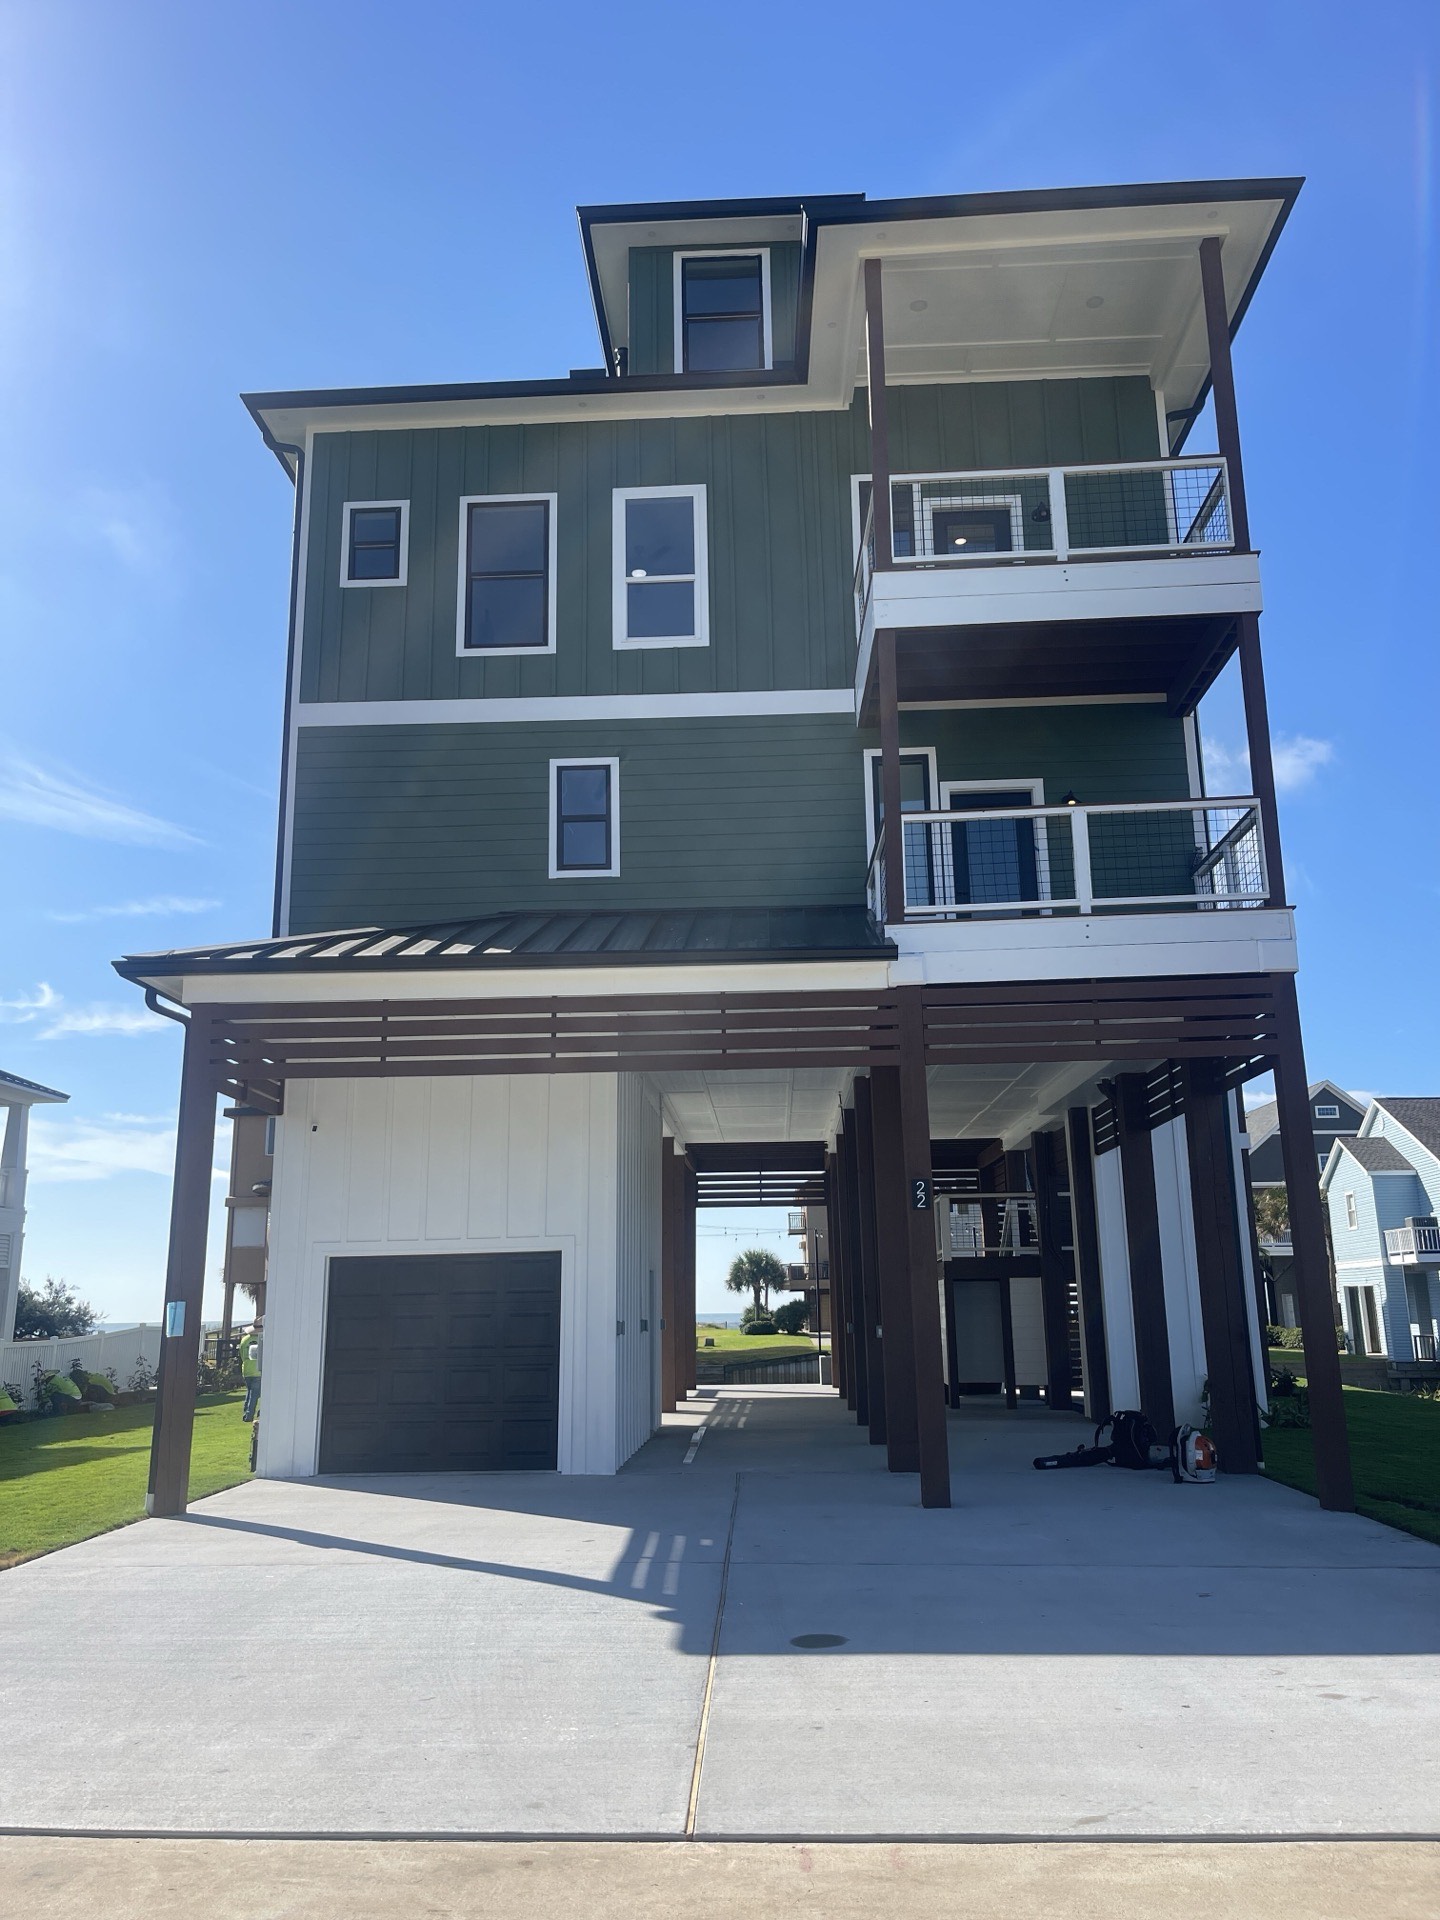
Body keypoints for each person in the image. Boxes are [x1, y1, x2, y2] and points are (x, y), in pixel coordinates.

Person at [239, 1322, 262, 1422]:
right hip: (258, 1370)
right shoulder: (261, 1339)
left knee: (249, 1392)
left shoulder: (244, 1340)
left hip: (247, 1370)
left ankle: (246, 1411)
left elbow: (242, 1355)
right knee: (255, 1395)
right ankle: (249, 1414)